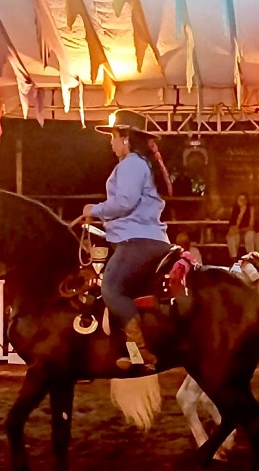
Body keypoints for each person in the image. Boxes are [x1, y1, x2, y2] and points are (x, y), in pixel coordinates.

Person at [82, 109, 171, 371]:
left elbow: (124, 202)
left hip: (137, 241)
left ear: (126, 138)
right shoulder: (144, 163)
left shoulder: (131, 163)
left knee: (111, 289)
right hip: (151, 239)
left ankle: (141, 351)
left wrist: (94, 210)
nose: (111, 142)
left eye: (114, 136)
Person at [226, 192, 257, 262]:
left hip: (246, 231)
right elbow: (233, 226)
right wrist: (241, 214)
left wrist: (240, 230)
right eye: (240, 200)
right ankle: (234, 259)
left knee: (250, 235)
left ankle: (251, 258)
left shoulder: (251, 209)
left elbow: (251, 226)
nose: (242, 202)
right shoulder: (234, 210)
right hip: (237, 232)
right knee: (231, 237)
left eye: (244, 200)